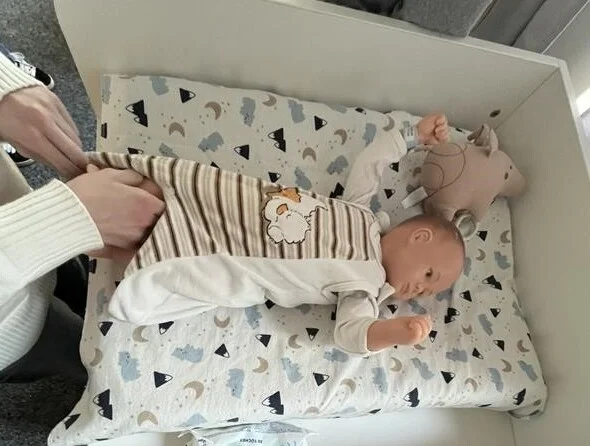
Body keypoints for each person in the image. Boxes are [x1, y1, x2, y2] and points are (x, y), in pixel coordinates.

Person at [93, 113, 464, 356]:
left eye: (426, 292)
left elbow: (351, 333)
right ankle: (110, 192)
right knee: (182, 189)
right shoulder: (361, 213)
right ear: (419, 238)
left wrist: (392, 333)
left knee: (167, 257)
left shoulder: (365, 288)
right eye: (428, 275)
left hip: (238, 257)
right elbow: (371, 163)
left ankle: (103, 240)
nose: (419, 290)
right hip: (242, 206)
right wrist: (411, 135)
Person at [0, 47, 165, 384]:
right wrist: (59, 220)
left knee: (76, 280)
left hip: (26, 218)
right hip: (12, 332)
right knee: (101, 366)